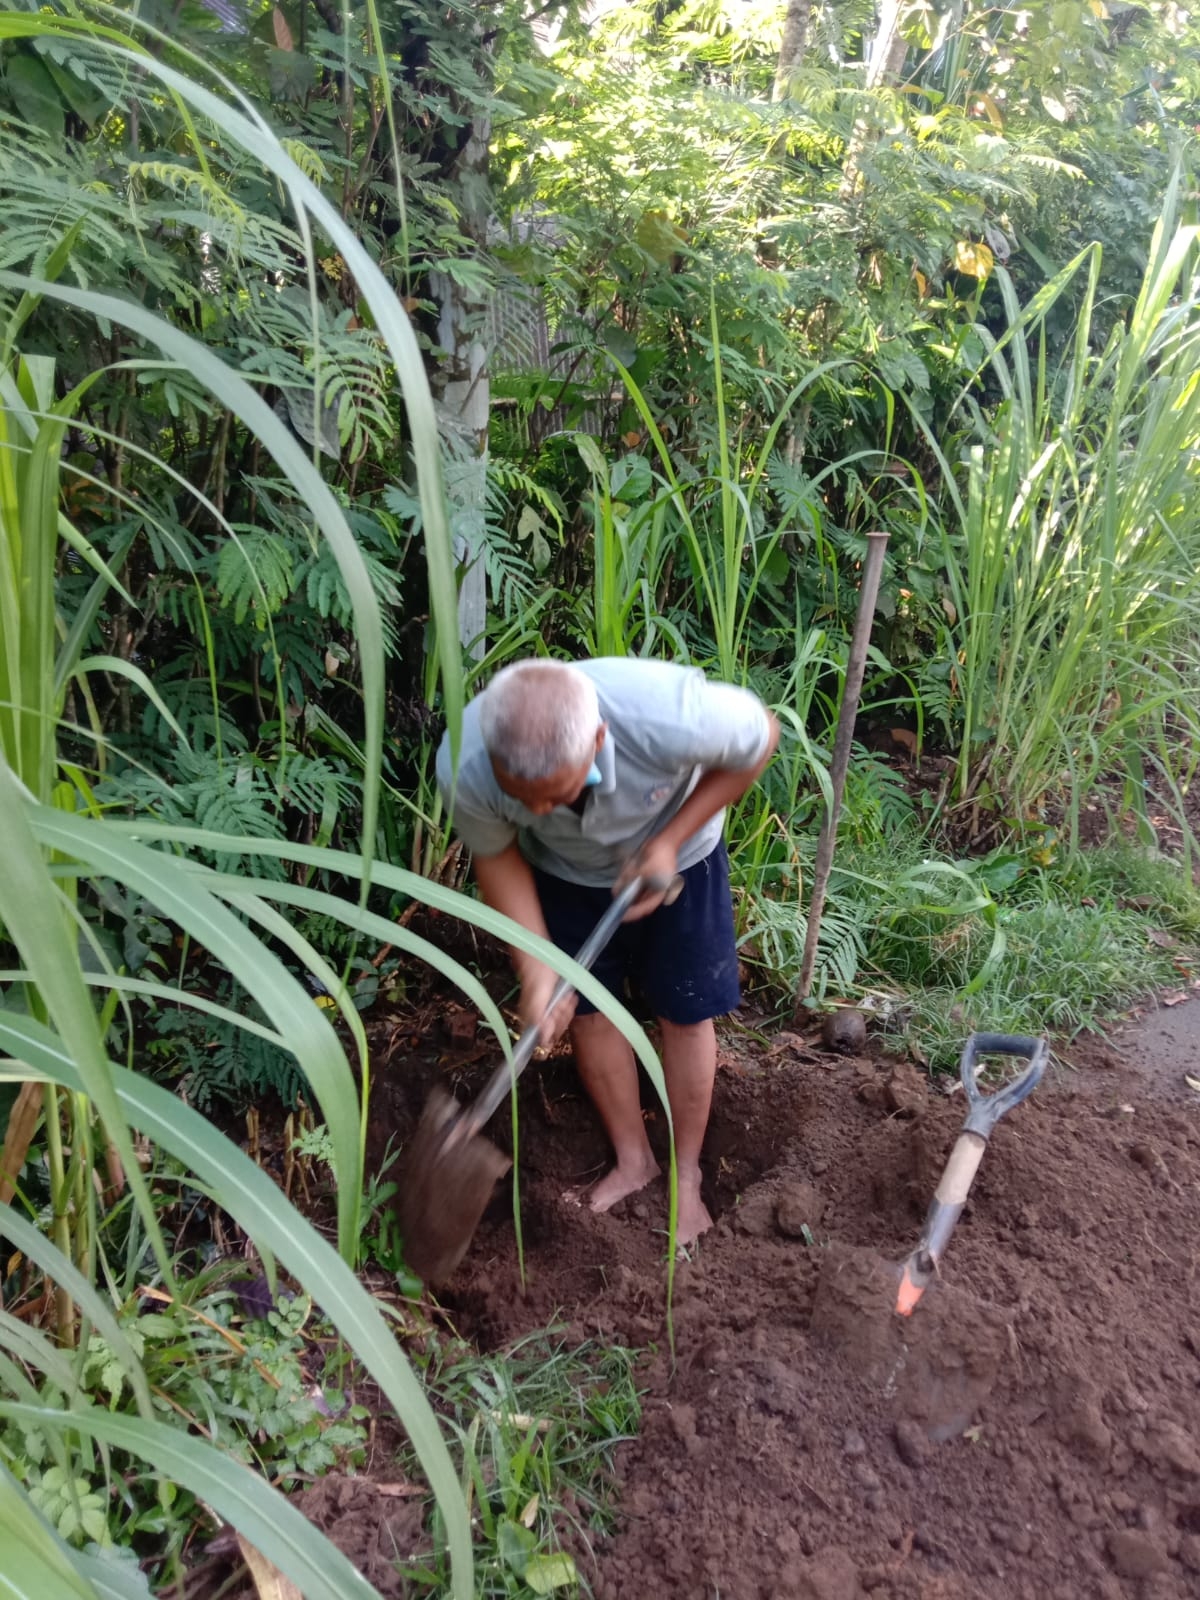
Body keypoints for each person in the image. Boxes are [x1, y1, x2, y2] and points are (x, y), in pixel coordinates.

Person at [435, 658, 778, 1244]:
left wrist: (668, 841)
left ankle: (687, 1174)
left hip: (683, 856)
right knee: (586, 1011)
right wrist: (537, 966)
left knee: (685, 1009)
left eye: (553, 795)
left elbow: (761, 737)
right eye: (526, 802)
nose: (539, 812)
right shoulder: (466, 761)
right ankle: (634, 1159)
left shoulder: (665, 716)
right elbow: (496, 855)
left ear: (597, 740)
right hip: (565, 874)